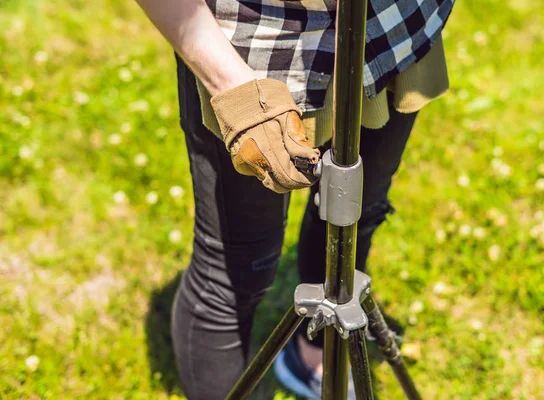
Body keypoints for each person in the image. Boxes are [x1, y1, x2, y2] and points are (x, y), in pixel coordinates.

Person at [135, 0, 454, 398]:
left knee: (355, 214)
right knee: (235, 269)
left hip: (391, 29)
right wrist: (229, 85)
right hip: (253, 49)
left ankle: (314, 352)